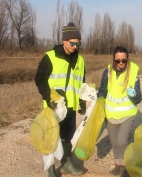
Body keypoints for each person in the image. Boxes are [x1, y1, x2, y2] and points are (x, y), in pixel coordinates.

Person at [35, 22, 86, 177]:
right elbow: (39, 79)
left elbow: (81, 81)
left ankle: (67, 165)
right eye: (72, 43)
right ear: (64, 40)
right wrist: (47, 95)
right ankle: (51, 170)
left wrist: (82, 100)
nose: (75, 46)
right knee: (51, 138)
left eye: (77, 44)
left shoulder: (80, 60)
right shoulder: (50, 57)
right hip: (54, 107)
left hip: (70, 106)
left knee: (68, 137)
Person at [97, 46, 142, 177]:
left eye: (124, 60)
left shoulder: (133, 73)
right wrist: (98, 101)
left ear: (127, 59)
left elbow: (139, 98)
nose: (121, 63)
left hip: (127, 115)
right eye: (118, 61)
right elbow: (102, 91)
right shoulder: (107, 72)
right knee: (114, 143)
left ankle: (126, 167)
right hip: (110, 114)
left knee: (122, 142)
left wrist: (134, 94)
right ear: (113, 60)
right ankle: (118, 165)